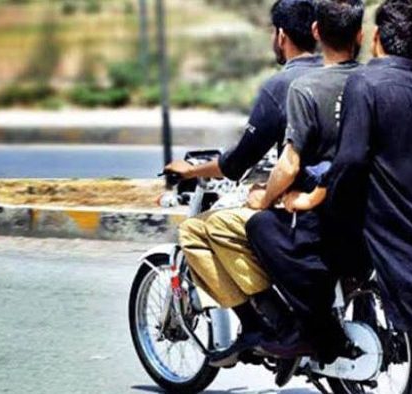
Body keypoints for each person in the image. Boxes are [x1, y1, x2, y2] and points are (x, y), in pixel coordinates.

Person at [289, 0, 412, 337]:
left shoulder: (366, 84)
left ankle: (307, 333)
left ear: (376, 40)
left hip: (380, 226)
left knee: (284, 236)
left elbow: (351, 160)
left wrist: (317, 199)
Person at [163, 0, 322, 368]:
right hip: (344, 201)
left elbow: (238, 161)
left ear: (281, 36)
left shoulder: (281, 86)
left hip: (301, 210)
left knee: (197, 231)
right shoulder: (343, 73)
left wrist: (190, 170)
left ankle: (263, 325)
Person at [244, 0, 366, 377]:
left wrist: (265, 198)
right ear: (361, 35)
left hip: (324, 215)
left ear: (316, 32)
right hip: (370, 209)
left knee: (259, 226)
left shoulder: (305, 87)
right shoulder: (371, 80)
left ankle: (308, 328)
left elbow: (290, 163)